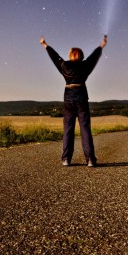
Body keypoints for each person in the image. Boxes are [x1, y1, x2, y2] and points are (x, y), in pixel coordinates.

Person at [40, 34, 107, 167]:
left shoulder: (64, 65)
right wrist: (101, 46)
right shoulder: (86, 65)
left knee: (68, 129)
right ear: (81, 56)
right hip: (82, 96)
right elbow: (93, 57)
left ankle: (66, 159)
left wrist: (45, 45)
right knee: (85, 128)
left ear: (71, 55)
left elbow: (55, 57)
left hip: (68, 97)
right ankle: (90, 160)